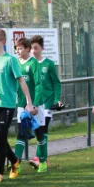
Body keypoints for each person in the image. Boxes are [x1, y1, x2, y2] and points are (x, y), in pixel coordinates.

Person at [0, 28, 34, 183]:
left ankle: (0, 172)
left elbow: (21, 81)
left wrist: (28, 101)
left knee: (1, 136)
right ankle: (14, 160)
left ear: (3, 42)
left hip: (7, 104)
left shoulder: (10, 60)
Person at [27, 35, 62, 173]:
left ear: (42, 48)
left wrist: (56, 99)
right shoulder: (29, 65)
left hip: (46, 102)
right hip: (34, 103)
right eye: (31, 48)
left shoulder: (48, 64)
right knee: (38, 131)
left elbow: (56, 83)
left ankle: (40, 158)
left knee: (43, 130)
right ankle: (42, 158)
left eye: (36, 48)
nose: (33, 51)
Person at [12, 38, 40, 177]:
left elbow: (38, 84)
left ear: (28, 49)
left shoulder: (33, 63)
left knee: (39, 133)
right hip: (20, 104)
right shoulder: (15, 63)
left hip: (32, 104)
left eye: (20, 48)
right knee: (21, 133)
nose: (18, 51)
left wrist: (34, 103)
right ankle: (16, 165)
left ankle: (41, 160)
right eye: (16, 48)